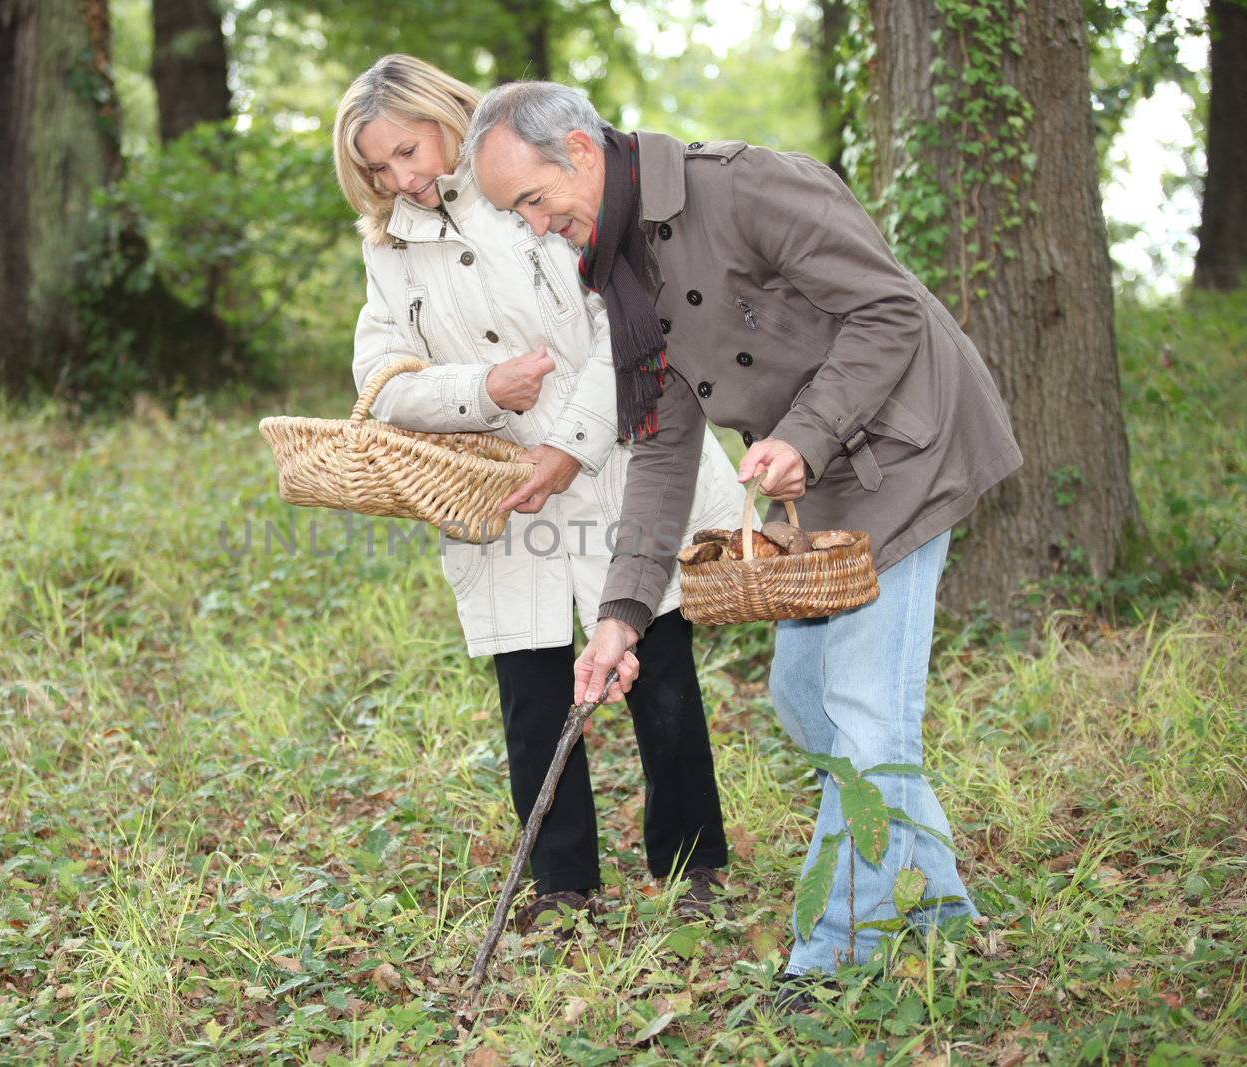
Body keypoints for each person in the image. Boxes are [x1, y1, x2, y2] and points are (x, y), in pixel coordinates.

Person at [464, 82, 1022, 996]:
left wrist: (805, 435)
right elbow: (663, 446)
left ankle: (839, 949)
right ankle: (939, 901)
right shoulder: (623, 269)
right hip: (823, 477)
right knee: (808, 701)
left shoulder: (751, 187)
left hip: (912, 442)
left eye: (532, 199)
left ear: (581, 149)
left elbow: (892, 312)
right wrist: (620, 615)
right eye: (514, 213)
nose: (533, 226)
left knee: (866, 710)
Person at [333, 56, 747, 928]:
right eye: (380, 167)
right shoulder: (390, 252)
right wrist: (482, 390)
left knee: (658, 664)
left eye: (409, 149)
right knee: (530, 686)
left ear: (444, 118)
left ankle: (693, 862)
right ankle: (562, 885)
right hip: (499, 495)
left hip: (615, 463)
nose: (403, 177)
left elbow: (624, 325)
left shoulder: (532, 192)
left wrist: (568, 443)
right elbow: (378, 380)